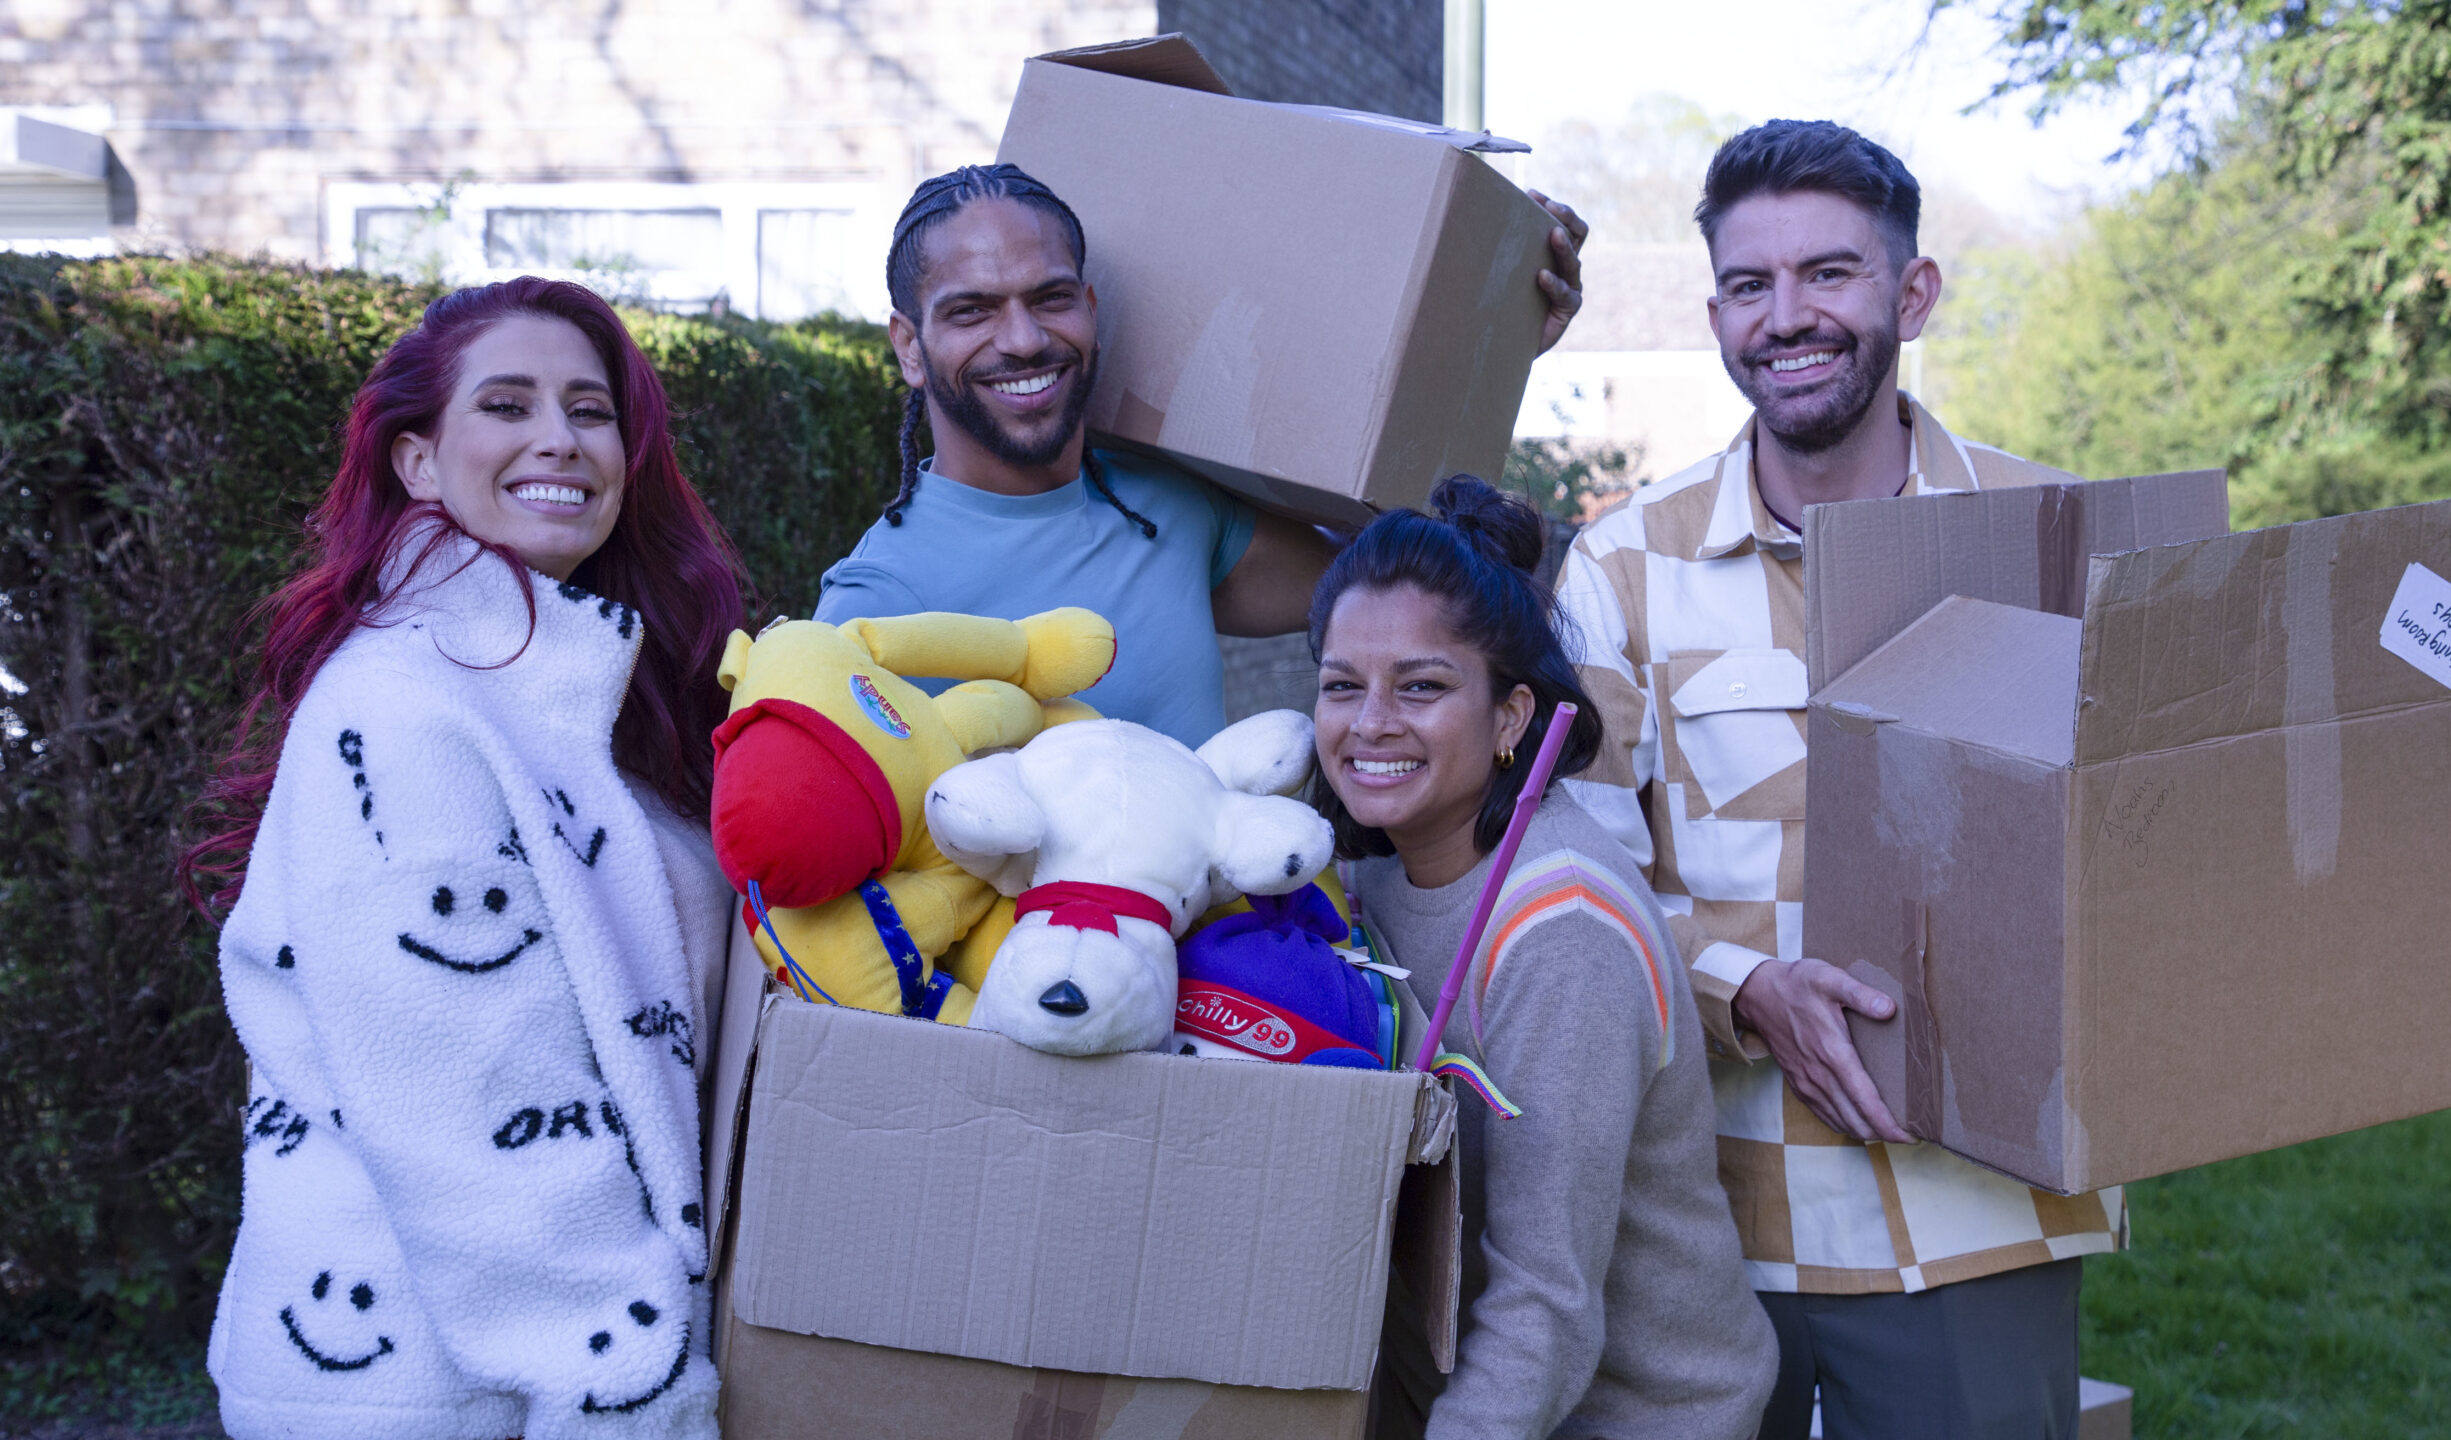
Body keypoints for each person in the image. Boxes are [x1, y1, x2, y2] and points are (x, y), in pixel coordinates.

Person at [1555, 118, 2451, 1440]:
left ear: (1912, 294)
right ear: (1716, 314)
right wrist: (1747, 989)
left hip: (1987, 1215)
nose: (1788, 315)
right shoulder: (1619, 570)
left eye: (1830, 275)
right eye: (1752, 284)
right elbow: (1575, 885)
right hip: (1706, 1223)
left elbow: (2233, 815)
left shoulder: (2073, 542)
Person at [182, 278, 743, 1440]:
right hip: (448, 1390)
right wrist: (626, 1392)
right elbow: (478, 1103)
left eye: (591, 411)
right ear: (419, 464)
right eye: (507, 403)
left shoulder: (564, 687)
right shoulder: (404, 707)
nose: (560, 438)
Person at [811, 163, 1588, 746]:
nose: (1022, 340)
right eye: (971, 311)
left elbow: (1403, 576)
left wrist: (1495, 341)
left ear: (1088, 309)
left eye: (1049, 298)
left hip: (1220, 956)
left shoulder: (1168, 505)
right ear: (909, 347)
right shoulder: (877, 601)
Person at [1315, 477, 1778, 1440]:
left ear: (1513, 717)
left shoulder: (1561, 931)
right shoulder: (1371, 883)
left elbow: (1547, 1304)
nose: (1370, 723)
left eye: (1423, 686)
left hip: (1633, 1418)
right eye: (1342, 685)